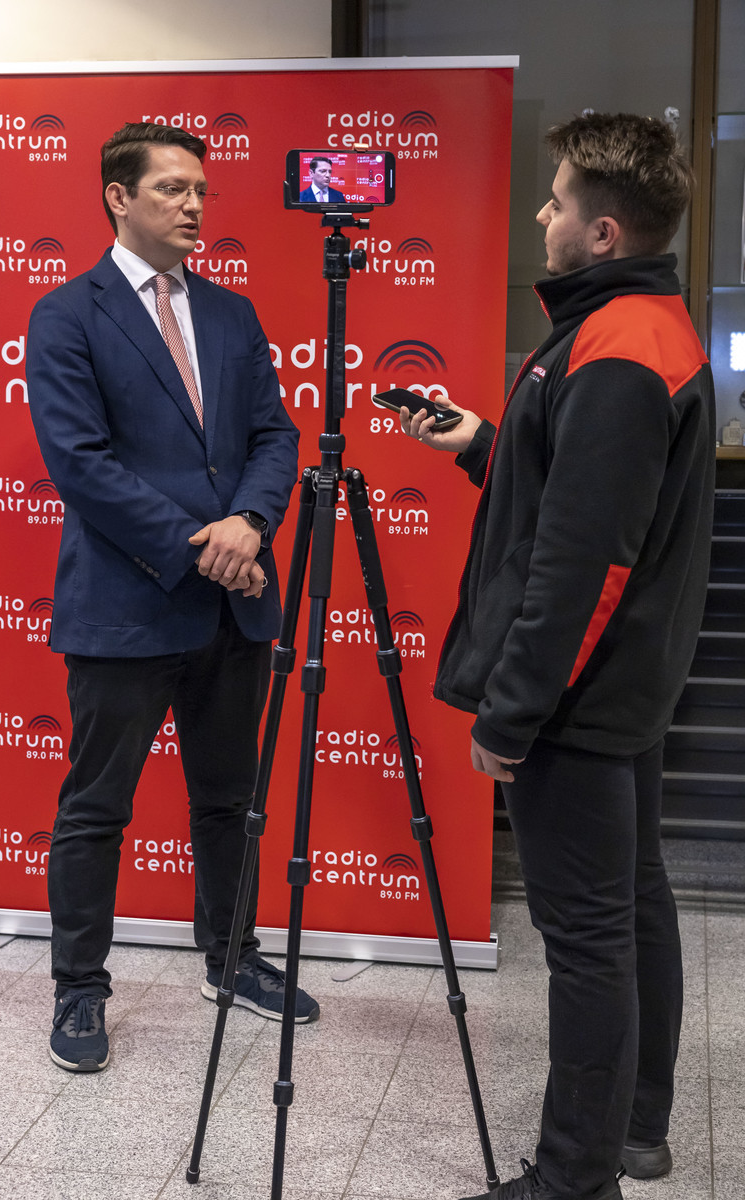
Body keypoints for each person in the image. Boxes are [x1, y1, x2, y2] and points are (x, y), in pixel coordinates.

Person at [399, 112, 714, 1200]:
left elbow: (585, 565)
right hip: (619, 687)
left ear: (602, 231)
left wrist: (511, 712)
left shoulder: (618, 347)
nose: (542, 212)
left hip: (578, 698)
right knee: (631, 899)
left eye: (556, 199)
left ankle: (574, 1177)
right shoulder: (633, 323)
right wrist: (484, 446)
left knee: (585, 937)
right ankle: (636, 1125)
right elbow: (577, 499)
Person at [27, 121, 319, 1074]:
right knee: (96, 808)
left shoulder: (232, 314)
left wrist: (251, 523)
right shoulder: (66, 316)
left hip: (234, 607)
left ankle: (232, 959)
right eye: (172, 188)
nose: (195, 205)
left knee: (229, 801)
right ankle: (79, 988)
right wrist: (205, 549)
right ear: (119, 197)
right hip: (128, 604)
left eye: (201, 190)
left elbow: (275, 437)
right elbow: (81, 464)